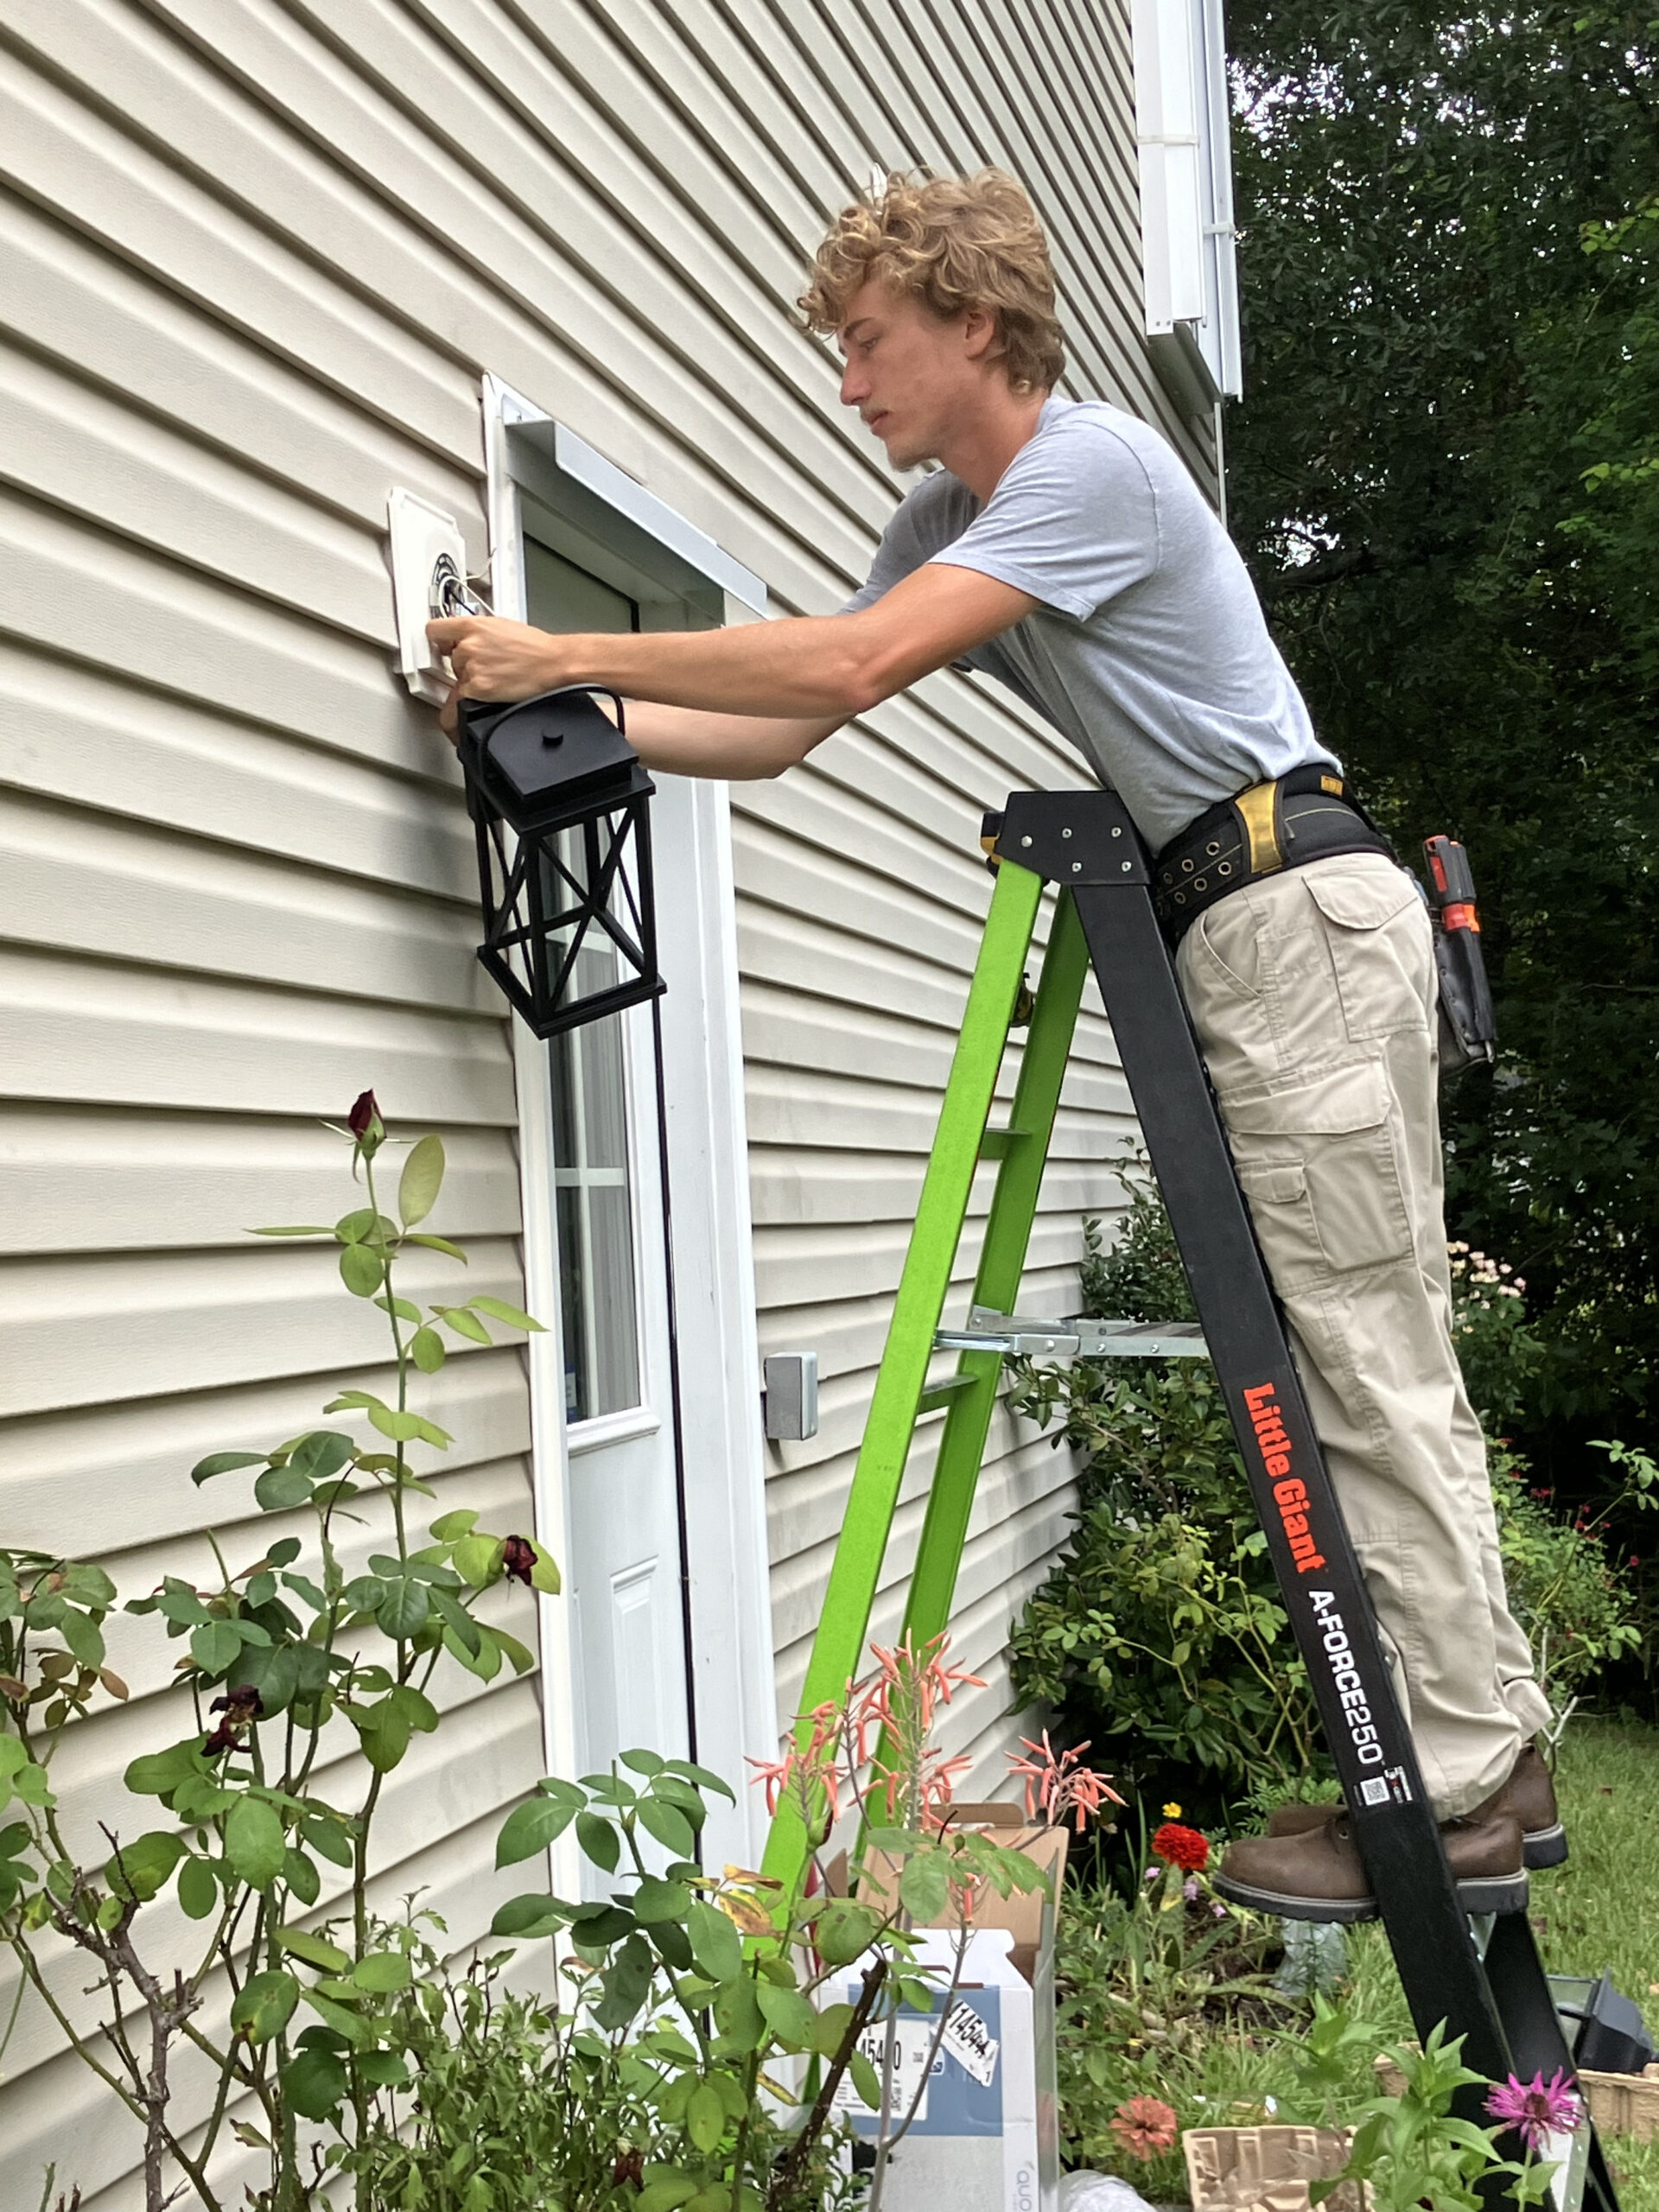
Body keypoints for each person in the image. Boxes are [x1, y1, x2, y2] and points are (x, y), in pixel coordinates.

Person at [428, 168, 1560, 1916]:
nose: (847, 380)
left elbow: (860, 662)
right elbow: (795, 721)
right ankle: (1464, 1755)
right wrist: (568, 720)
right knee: (1350, 1351)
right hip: (1244, 928)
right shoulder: (954, 515)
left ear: (973, 322)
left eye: (866, 341)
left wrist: (552, 645)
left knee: (1366, 1355)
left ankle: (1473, 1770)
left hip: (1292, 915)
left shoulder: (1090, 465)